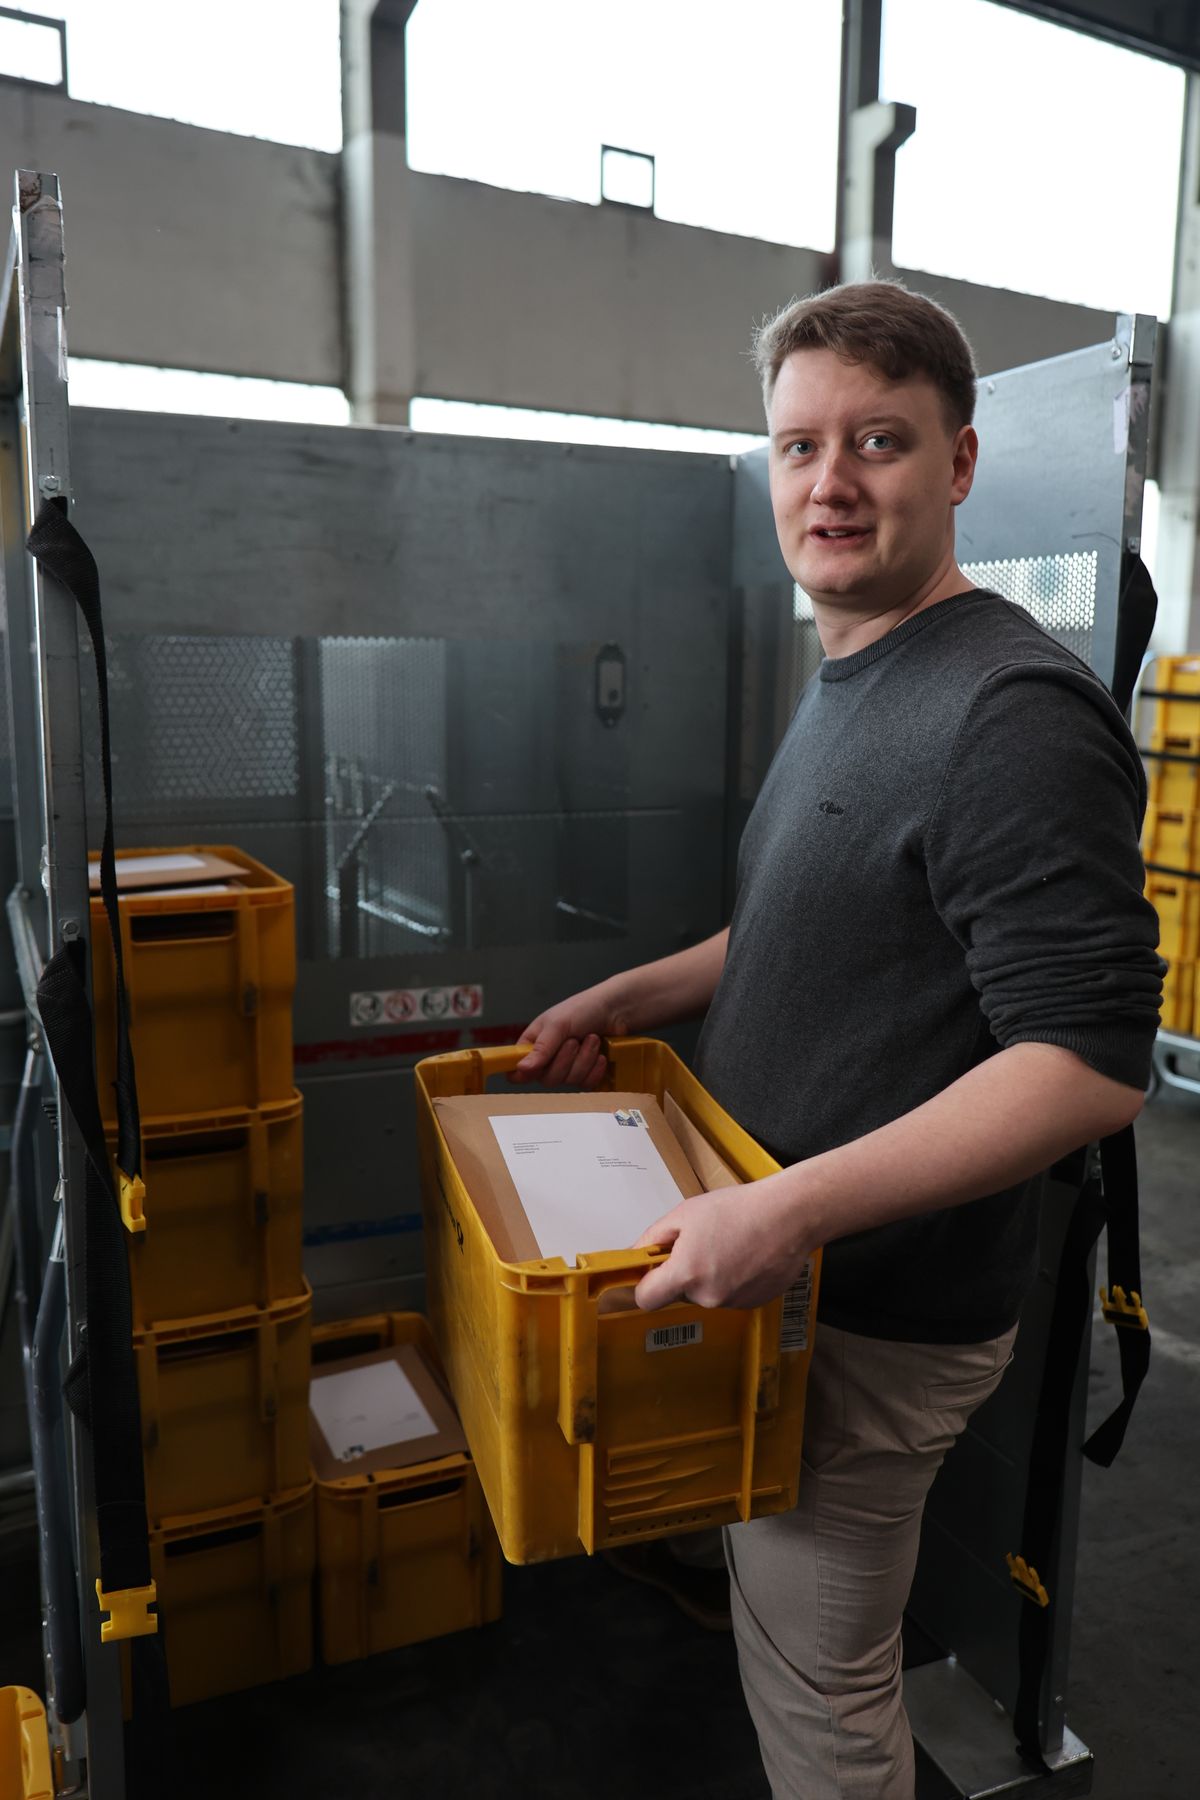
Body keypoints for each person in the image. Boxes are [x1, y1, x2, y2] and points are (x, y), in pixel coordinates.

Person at [510, 279, 1163, 1799]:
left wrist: (788, 1212)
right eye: (800, 446)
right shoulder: (862, 672)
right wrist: (629, 997)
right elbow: (818, 924)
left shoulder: (1007, 711)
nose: (832, 483)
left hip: (867, 1319)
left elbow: (1086, 1063)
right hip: (787, 1272)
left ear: (960, 462)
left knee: (818, 1693)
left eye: (879, 440)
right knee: (786, 1620)